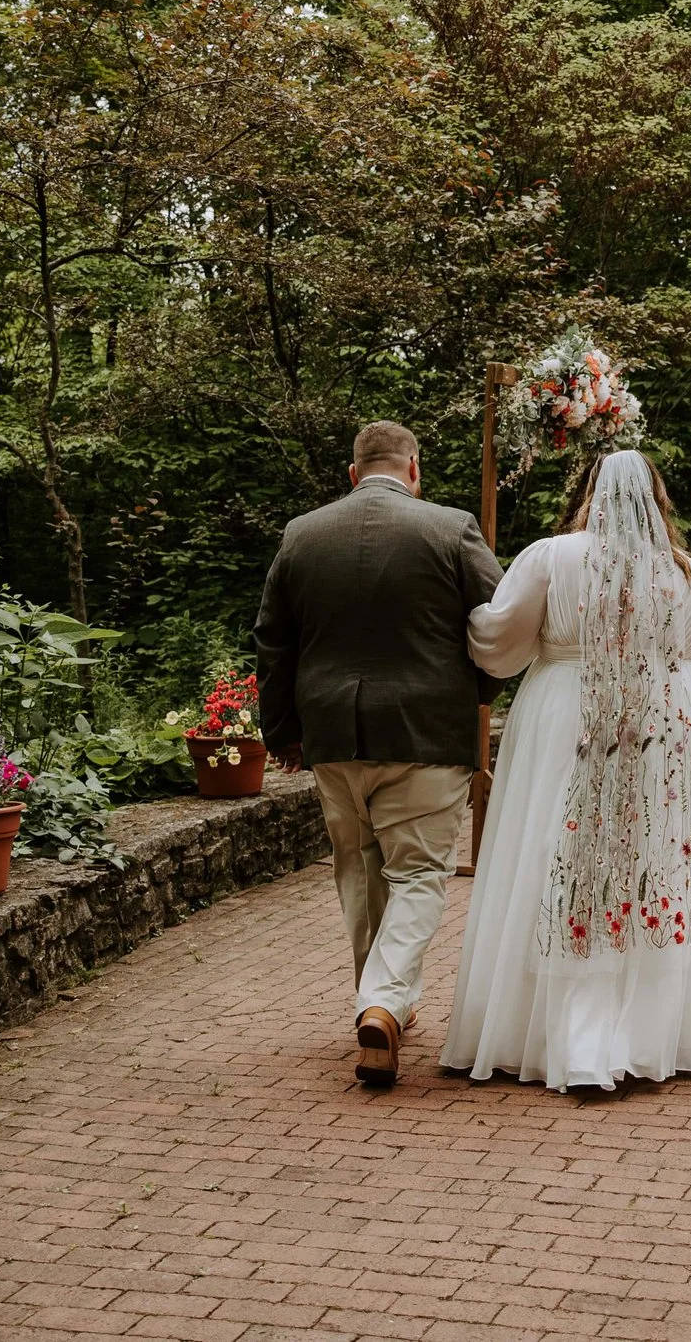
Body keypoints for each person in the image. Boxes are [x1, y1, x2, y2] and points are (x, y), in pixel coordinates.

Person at [449, 450, 691, 1090]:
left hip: (566, 714)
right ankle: (649, 1038)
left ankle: (562, 1037)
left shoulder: (551, 558)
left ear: (590, 494)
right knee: (654, 860)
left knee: (556, 851)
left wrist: (472, 615)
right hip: (668, 726)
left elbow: (498, 646)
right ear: (659, 502)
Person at [254, 420, 504, 1085]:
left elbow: (272, 638)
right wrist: (481, 690)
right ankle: (384, 1000)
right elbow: (497, 623)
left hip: (334, 732)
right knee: (419, 873)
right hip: (427, 732)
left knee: (359, 870)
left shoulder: (303, 534)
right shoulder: (450, 529)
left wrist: (279, 730)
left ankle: (384, 1004)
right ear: (414, 468)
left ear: (352, 472)